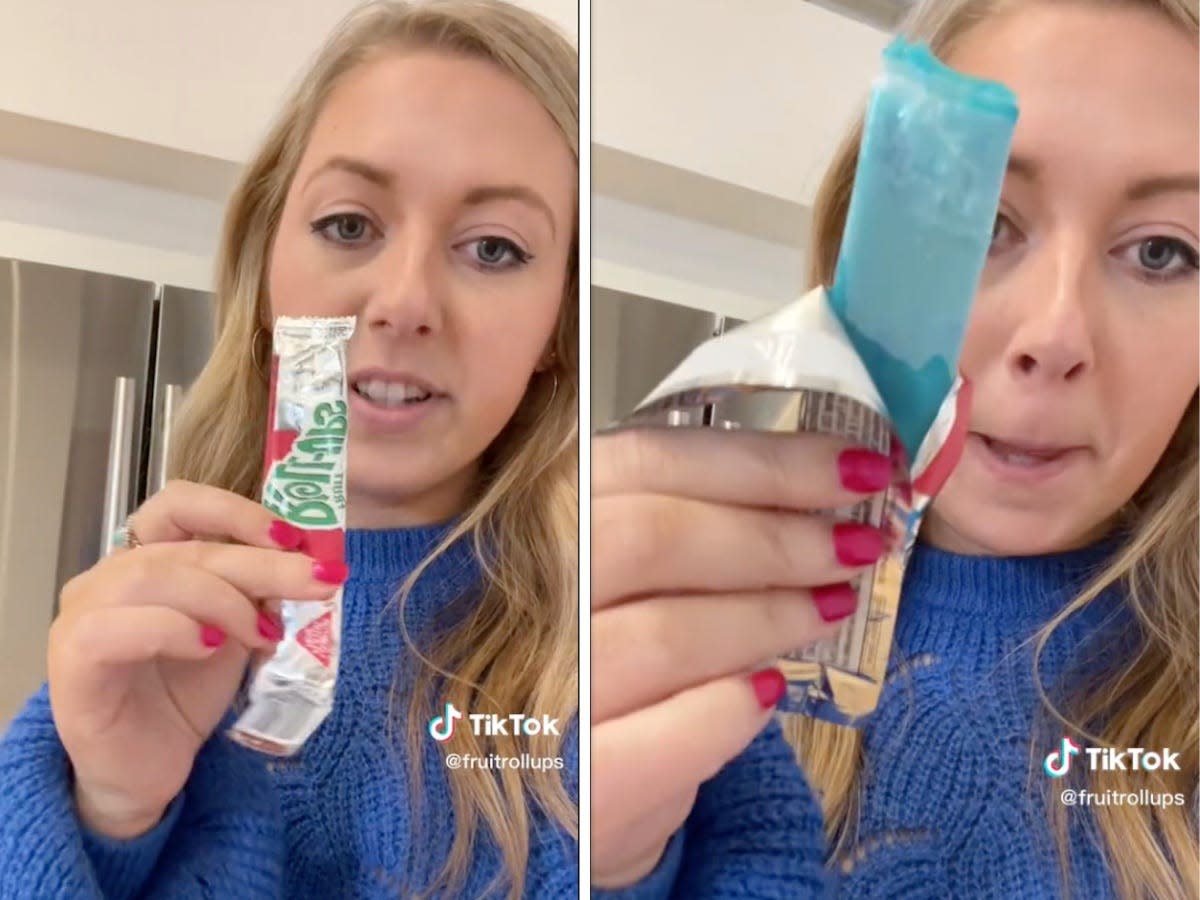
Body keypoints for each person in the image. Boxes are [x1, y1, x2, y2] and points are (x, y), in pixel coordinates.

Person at [591, 0, 1197, 897]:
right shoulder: (685, 639)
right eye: (986, 226)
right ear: (856, 258)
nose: (1057, 332)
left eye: (1161, 254)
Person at [0, 1, 579, 898]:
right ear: (265, 265)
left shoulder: (613, 672)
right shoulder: (130, 660)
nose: (402, 300)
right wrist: (115, 815)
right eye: (350, 225)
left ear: (558, 325)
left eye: (495, 248)